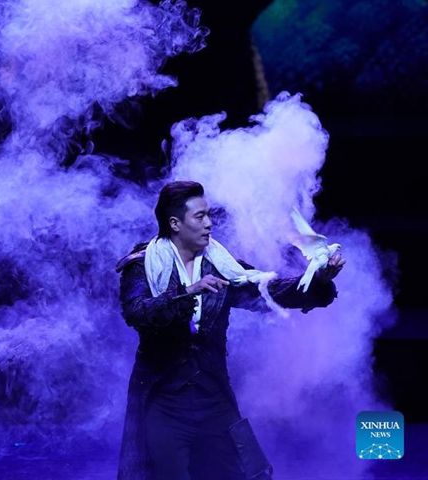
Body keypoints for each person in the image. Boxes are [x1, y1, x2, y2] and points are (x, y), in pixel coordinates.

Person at [115, 180, 345, 480]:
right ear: (175, 224)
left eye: (209, 215)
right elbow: (137, 312)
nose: (209, 224)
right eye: (200, 217)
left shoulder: (221, 265)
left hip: (213, 400)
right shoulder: (142, 265)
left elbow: (268, 291)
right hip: (163, 402)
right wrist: (186, 293)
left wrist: (318, 280)